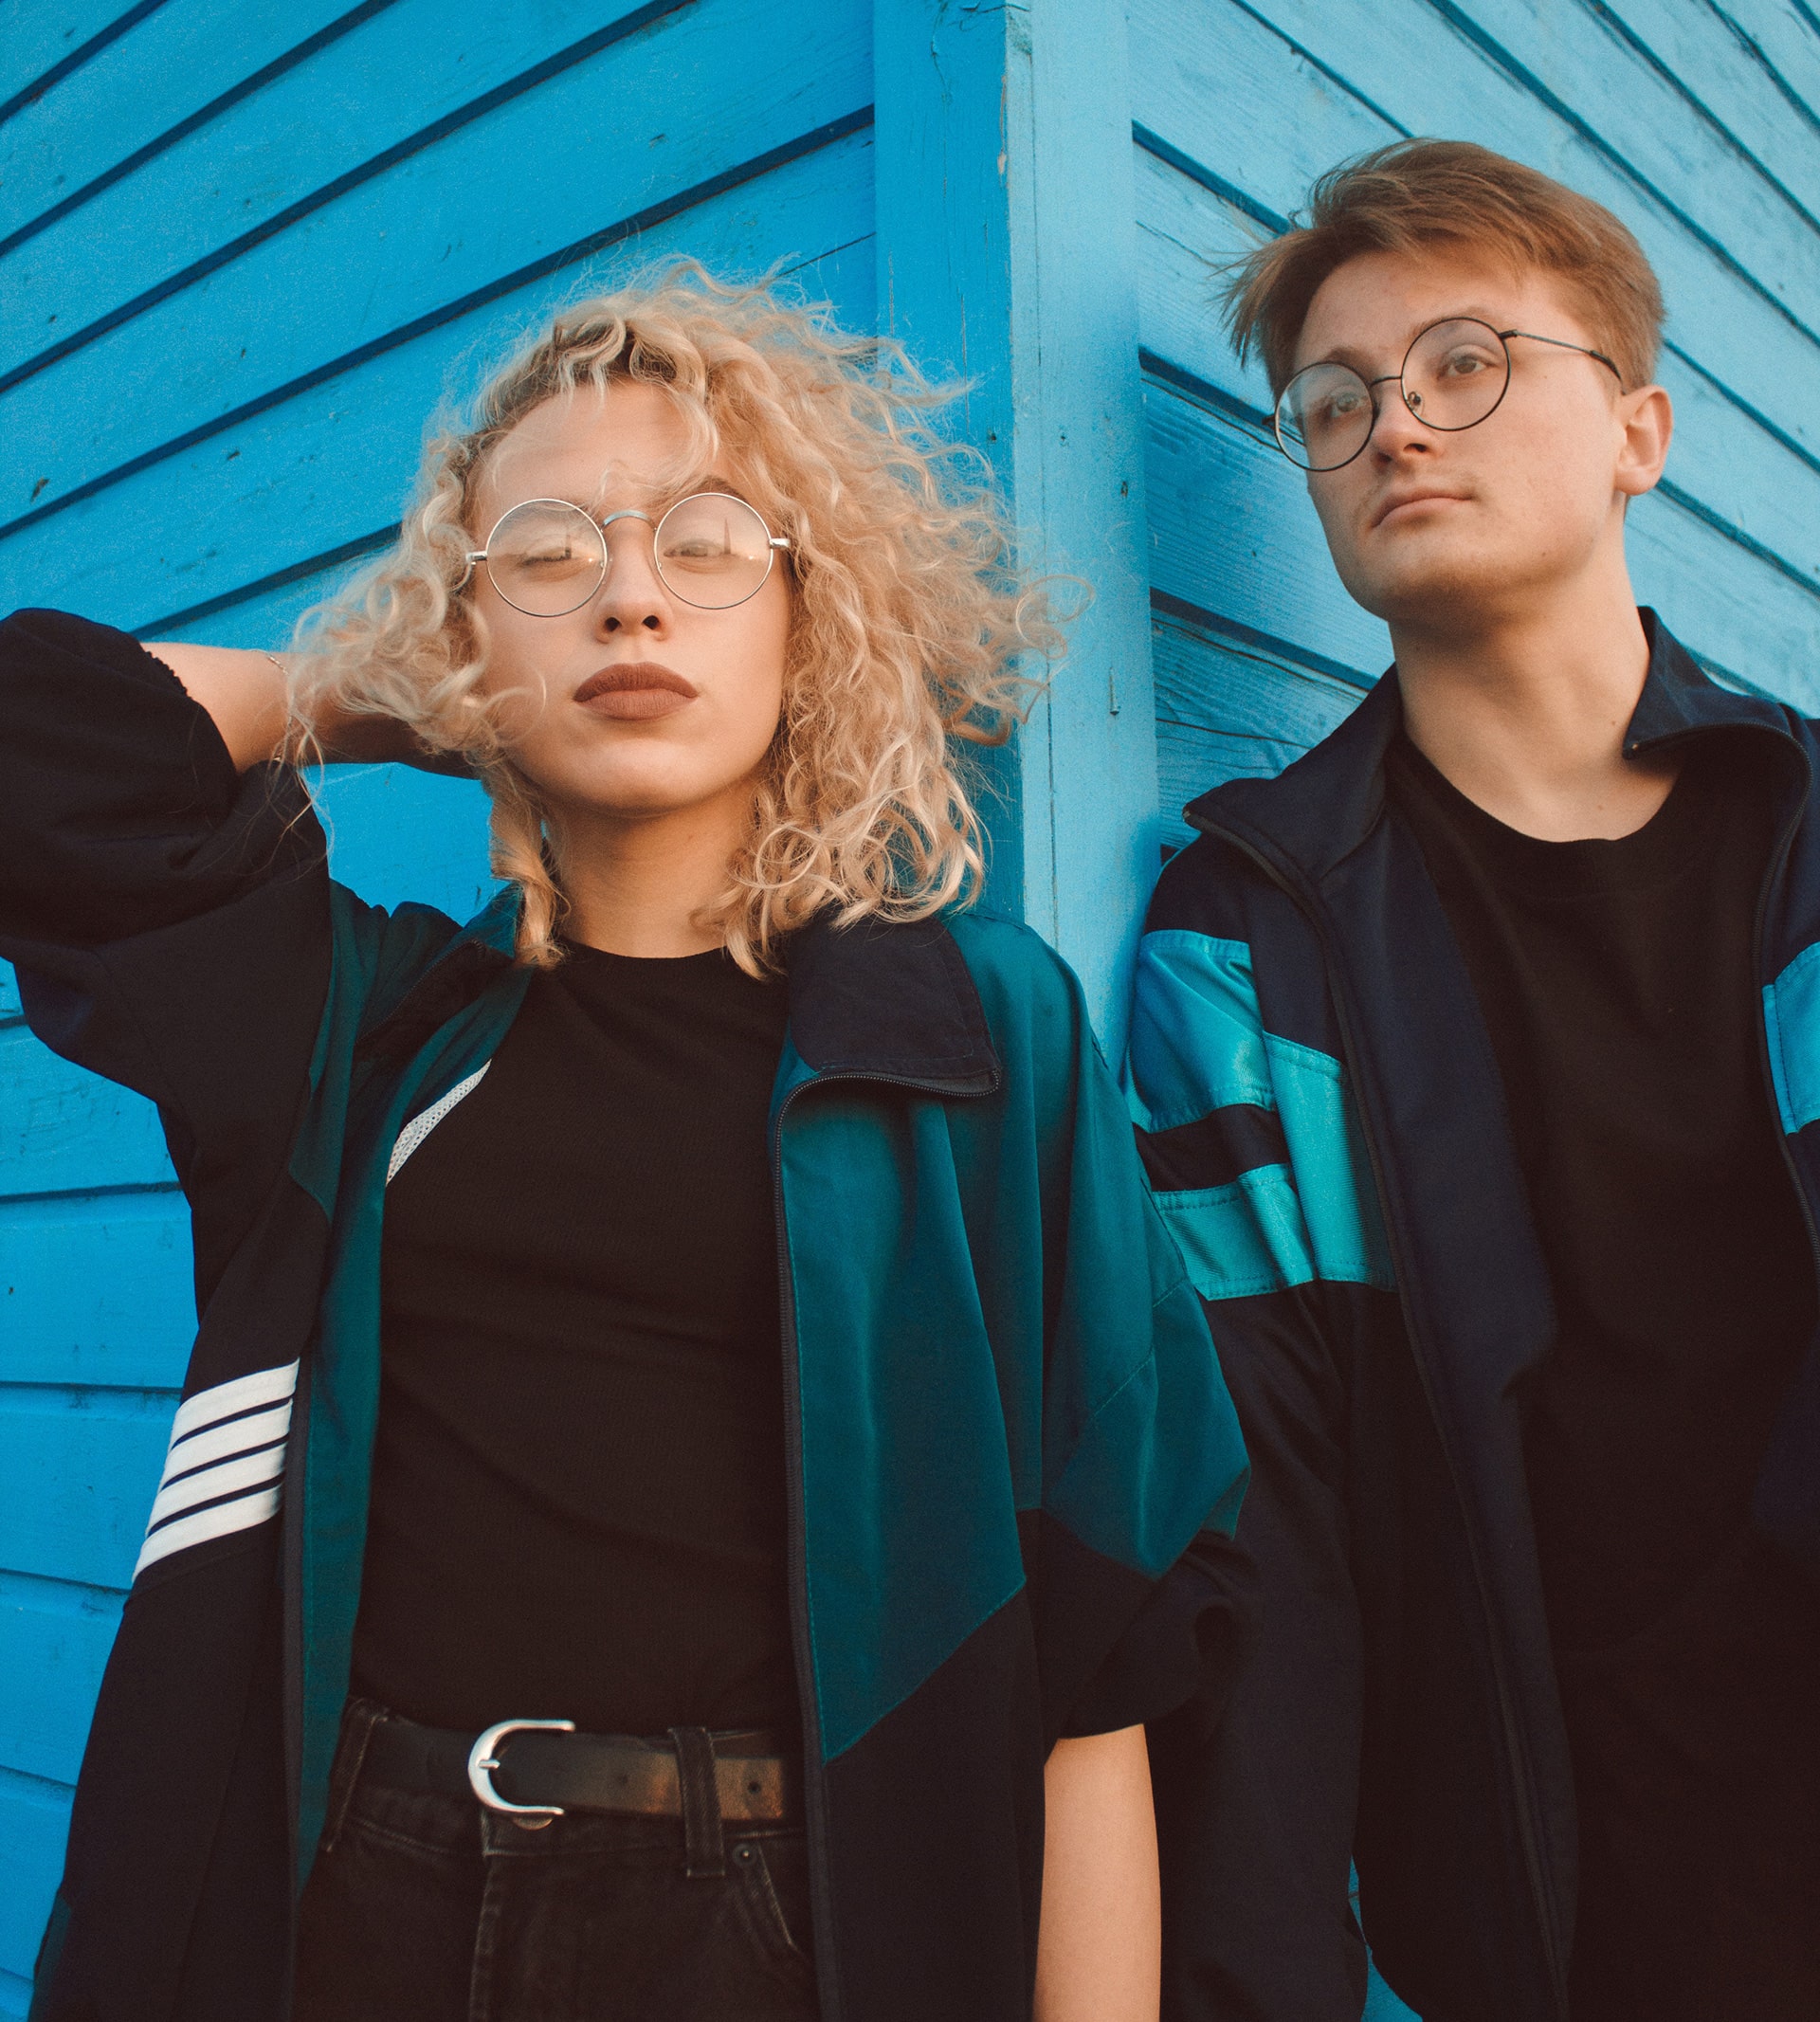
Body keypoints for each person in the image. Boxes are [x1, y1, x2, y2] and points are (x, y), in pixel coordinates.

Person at [0, 272, 1253, 2022]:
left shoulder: (968, 1035)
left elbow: (1104, 1629)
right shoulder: (362, 1027)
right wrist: (393, 692)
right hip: (353, 1893)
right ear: (465, 635)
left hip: (785, 1924)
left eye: (710, 540)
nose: (633, 594)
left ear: (814, 619)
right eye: (547, 551)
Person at [1128, 140, 1820, 2022]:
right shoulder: (1243, 951)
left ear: (1640, 433)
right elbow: (1261, 1531)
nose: (1397, 428)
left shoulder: (1806, 846)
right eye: (1336, 401)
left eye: (1465, 364)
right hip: (1521, 1922)